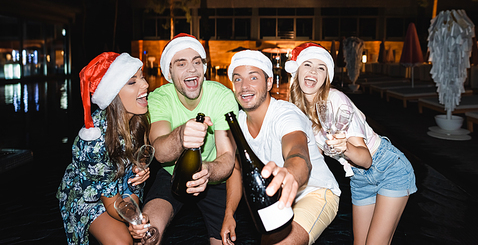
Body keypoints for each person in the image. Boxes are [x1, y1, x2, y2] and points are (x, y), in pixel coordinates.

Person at [285, 42, 417, 245]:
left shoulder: (336, 100)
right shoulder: (297, 111)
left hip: (389, 167)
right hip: (358, 179)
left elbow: (365, 160)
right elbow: (313, 155)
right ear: (297, 71)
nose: (313, 71)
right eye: (308, 65)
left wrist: (345, 146)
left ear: (326, 77)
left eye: (321, 68)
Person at [222, 50, 341, 245]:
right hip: (277, 197)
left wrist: (291, 174)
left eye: (253, 77)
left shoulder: (285, 115)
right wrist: (229, 214)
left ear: (269, 83)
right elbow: (236, 169)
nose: (244, 86)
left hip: (315, 191)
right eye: (237, 79)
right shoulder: (238, 123)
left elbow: (297, 152)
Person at [129, 33, 239, 244]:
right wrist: (181, 136)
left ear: (204, 68)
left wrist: (207, 171)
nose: (192, 69)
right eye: (181, 64)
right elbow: (159, 152)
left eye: (197, 62)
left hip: (213, 178)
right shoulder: (159, 98)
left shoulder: (223, 97)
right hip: (172, 173)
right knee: (147, 235)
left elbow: (227, 156)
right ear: (169, 72)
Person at [56, 52, 151, 245]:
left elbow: (136, 168)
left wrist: (139, 174)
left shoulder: (139, 119)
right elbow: (111, 204)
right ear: (113, 95)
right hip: (86, 195)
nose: (146, 85)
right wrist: (135, 220)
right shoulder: (95, 142)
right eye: (132, 82)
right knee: (123, 241)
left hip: (117, 186)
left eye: (142, 77)